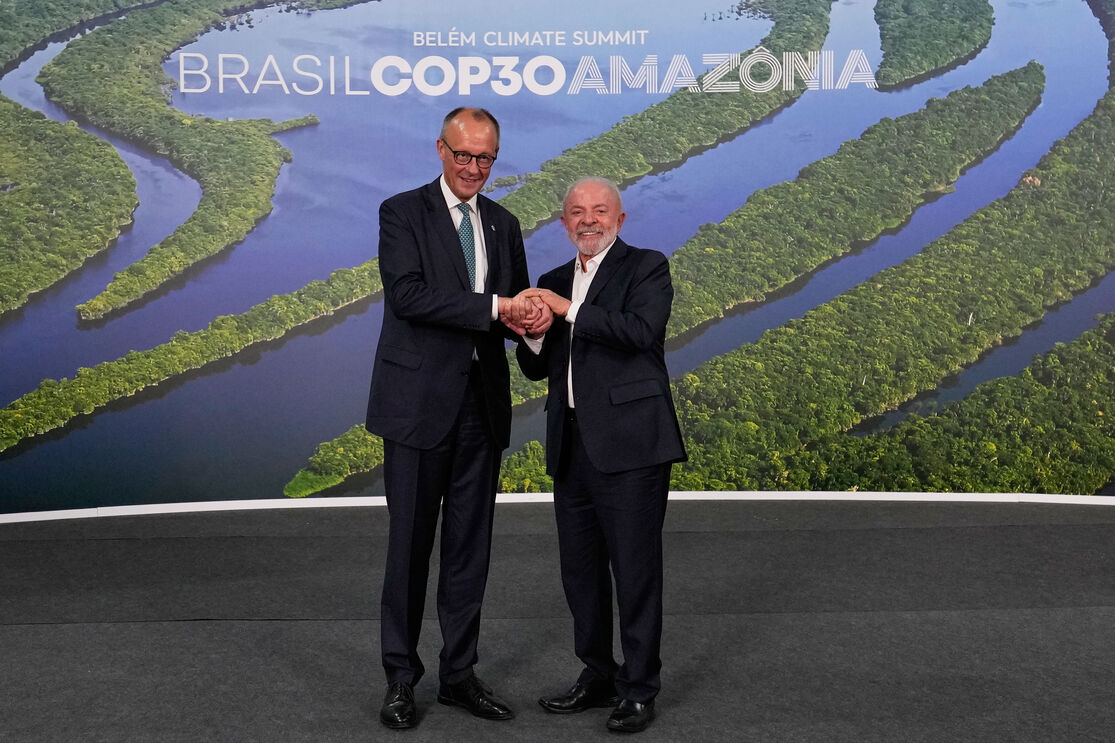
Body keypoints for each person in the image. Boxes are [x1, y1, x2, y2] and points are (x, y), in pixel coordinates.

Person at [365, 107, 551, 730]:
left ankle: (459, 675)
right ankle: (400, 678)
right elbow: (408, 296)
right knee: (409, 548)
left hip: (481, 410)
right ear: (440, 149)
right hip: (417, 408)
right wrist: (498, 307)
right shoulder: (401, 212)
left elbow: (514, 310)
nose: (474, 168)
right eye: (464, 155)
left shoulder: (503, 223)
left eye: (485, 158)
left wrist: (532, 325)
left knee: (470, 551)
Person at [517, 176, 686, 733]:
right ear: (563, 222)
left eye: (599, 210)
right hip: (571, 445)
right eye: (576, 212)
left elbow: (639, 332)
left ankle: (639, 689)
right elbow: (536, 368)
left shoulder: (646, 267)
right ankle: (597, 674)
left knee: (635, 572)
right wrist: (531, 331)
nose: (588, 220)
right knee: (580, 573)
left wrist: (566, 310)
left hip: (633, 447)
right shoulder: (550, 281)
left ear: (620, 218)